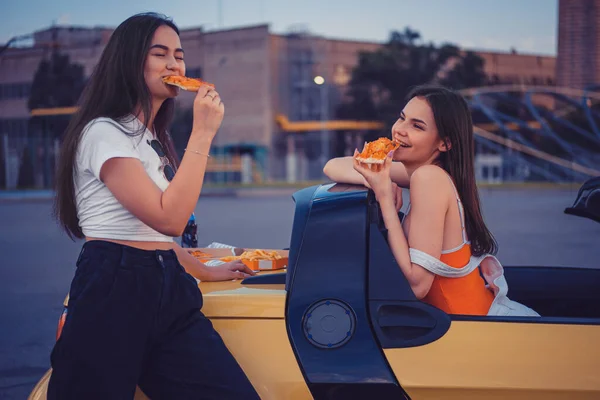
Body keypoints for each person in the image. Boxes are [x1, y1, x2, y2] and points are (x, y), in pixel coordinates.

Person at [49, 13, 260, 399]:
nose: (174, 65)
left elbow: (155, 238)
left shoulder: (148, 138)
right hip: (113, 288)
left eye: (179, 56)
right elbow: (168, 218)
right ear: (130, 60)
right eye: (160, 53)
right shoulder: (103, 132)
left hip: (167, 286)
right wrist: (203, 133)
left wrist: (204, 270)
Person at [324, 84, 538, 317]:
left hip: (483, 331)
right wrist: (375, 177)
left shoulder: (429, 178)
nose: (399, 130)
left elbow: (417, 286)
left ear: (444, 143)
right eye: (402, 118)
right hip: (471, 326)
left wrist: (385, 196)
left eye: (417, 126)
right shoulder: (423, 173)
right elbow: (334, 166)